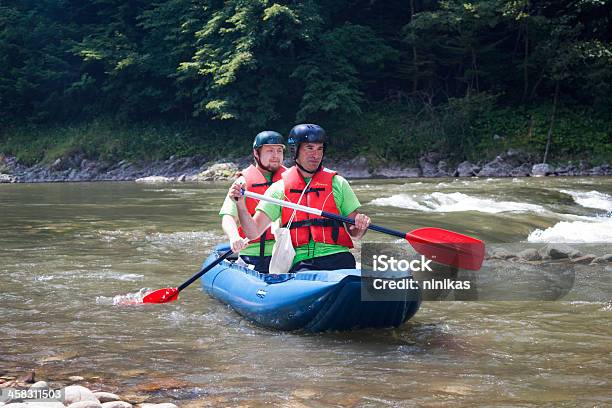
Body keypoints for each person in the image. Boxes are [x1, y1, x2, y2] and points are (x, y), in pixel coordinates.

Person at [229, 124, 370, 272]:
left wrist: (361, 226)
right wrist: (240, 205)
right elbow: (253, 233)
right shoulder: (279, 189)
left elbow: (355, 233)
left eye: (320, 149)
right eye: (309, 148)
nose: (316, 155)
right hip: (303, 263)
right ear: (294, 150)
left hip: (339, 258)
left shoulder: (339, 183)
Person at [219, 131, 286, 273]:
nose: (276, 155)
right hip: (253, 255)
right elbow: (228, 217)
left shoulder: (290, 180)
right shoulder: (243, 182)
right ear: (256, 153)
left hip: (285, 253)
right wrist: (234, 237)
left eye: (279, 151)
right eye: (270, 150)